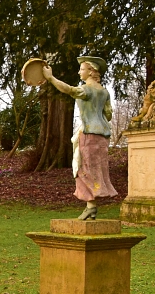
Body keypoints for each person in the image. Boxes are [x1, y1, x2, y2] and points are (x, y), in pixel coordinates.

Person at [42, 57, 117, 220]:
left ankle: (91, 206)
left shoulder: (87, 90)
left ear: (90, 71)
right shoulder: (104, 92)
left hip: (89, 134)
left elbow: (70, 90)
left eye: (81, 69)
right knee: (96, 170)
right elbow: (109, 114)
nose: (79, 72)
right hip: (103, 136)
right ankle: (91, 206)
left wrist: (50, 78)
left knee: (82, 169)